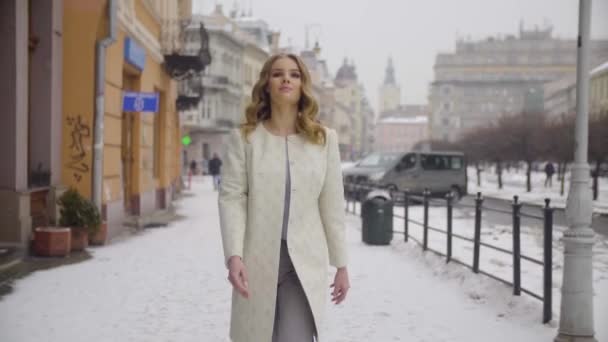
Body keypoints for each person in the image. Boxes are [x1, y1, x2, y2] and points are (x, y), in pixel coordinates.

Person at [218, 53, 350, 342]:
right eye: (278, 74)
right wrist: (234, 256)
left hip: (303, 264)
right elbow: (232, 198)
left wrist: (341, 265)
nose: (286, 79)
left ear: (303, 85)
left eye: (294, 74)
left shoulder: (323, 140)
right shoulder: (244, 139)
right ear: (266, 84)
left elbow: (332, 206)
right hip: (256, 261)